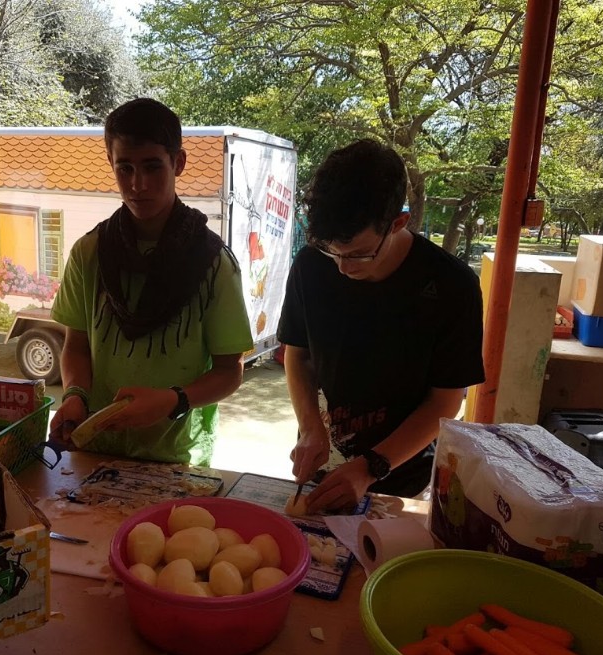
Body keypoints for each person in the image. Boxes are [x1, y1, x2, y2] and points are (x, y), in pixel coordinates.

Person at [277, 139, 485, 511]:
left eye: (358, 253)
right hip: (322, 461)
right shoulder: (311, 265)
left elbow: (445, 400)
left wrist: (370, 468)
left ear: (398, 223)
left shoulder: (452, 285)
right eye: (331, 250)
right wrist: (310, 426)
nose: (342, 267)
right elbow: (299, 355)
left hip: (399, 473)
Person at [49, 98, 254, 466]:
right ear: (110, 164)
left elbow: (229, 371)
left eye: (152, 167)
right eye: (124, 168)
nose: (137, 184)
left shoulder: (213, 263)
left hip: (176, 454)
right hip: (96, 448)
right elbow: (77, 346)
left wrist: (173, 400)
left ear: (178, 163)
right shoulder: (89, 253)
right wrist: (75, 395)